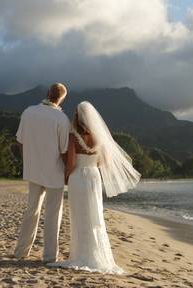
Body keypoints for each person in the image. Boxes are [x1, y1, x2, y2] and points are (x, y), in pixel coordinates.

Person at [48, 101, 141, 274]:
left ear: (77, 117)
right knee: (94, 214)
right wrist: (92, 164)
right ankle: (96, 255)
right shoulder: (100, 137)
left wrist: (66, 177)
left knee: (79, 216)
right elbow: (104, 161)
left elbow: (70, 163)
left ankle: (81, 254)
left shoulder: (73, 137)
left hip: (78, 177)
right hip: (94, 176)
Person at [14, 83, 70, 263]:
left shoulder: (28, 112)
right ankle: (49, 256)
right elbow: (64, 151)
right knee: (53, 214)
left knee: (32, 210)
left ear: (47, 93)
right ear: (62, 99)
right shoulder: (62, 119)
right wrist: (68, 174)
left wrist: (28, 161)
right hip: (54, 173)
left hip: (34, 170)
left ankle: (21, 251)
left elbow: (20, 142)